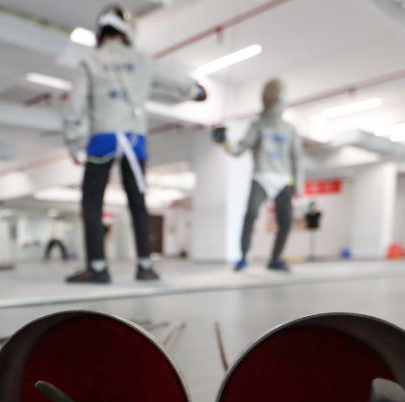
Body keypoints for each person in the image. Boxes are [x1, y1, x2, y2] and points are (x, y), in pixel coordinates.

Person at [63, 5, 207, 284]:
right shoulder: (143, 61)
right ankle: (144, 266)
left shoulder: (89, 63)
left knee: (92, 204)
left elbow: (74, 107)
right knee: (137, 204)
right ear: (128, 31)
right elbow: (172, 79)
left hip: (102, 140)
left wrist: (71, 142)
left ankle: (98, 267)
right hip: (134, 141)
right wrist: (194, 89)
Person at [216, 79, 303, 272]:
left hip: (283, 180)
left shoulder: (290, 130)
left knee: (286, 221)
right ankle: (243, 256)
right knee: (251, 214)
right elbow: (238, 150)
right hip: (261, 177)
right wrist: (225, 141)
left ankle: (275, 258)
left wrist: (299, 185)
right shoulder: (257, 126)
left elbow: (297, 158)